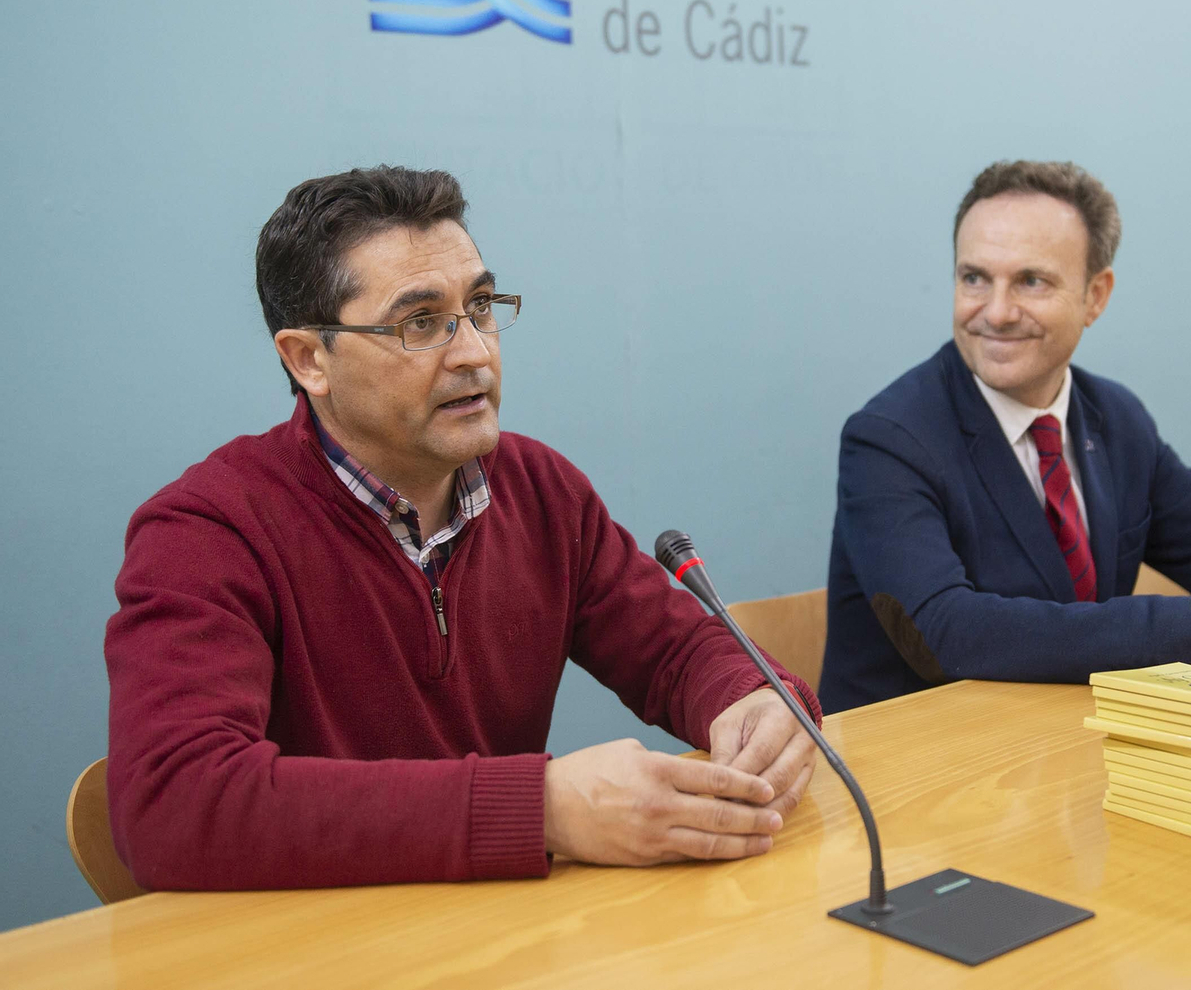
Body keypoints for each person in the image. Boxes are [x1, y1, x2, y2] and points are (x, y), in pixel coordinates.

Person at [105, 166, 819, 890]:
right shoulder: (207, 531)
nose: (475, 352)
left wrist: (753, 701)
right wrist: (538, 810)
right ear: (309, 359)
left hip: (500, 941)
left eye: (479, 307)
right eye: (421, 323)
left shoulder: (540, 491)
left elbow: (675, 651)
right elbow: (173, 804)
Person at [820, 161, 1191, 713]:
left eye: (1030, 281)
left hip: (1063, 741)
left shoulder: (1116, 417)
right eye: (974, 279)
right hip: (916, 761)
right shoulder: (889, 438)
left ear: (1096, 296)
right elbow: (949, 632)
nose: (996, 311)